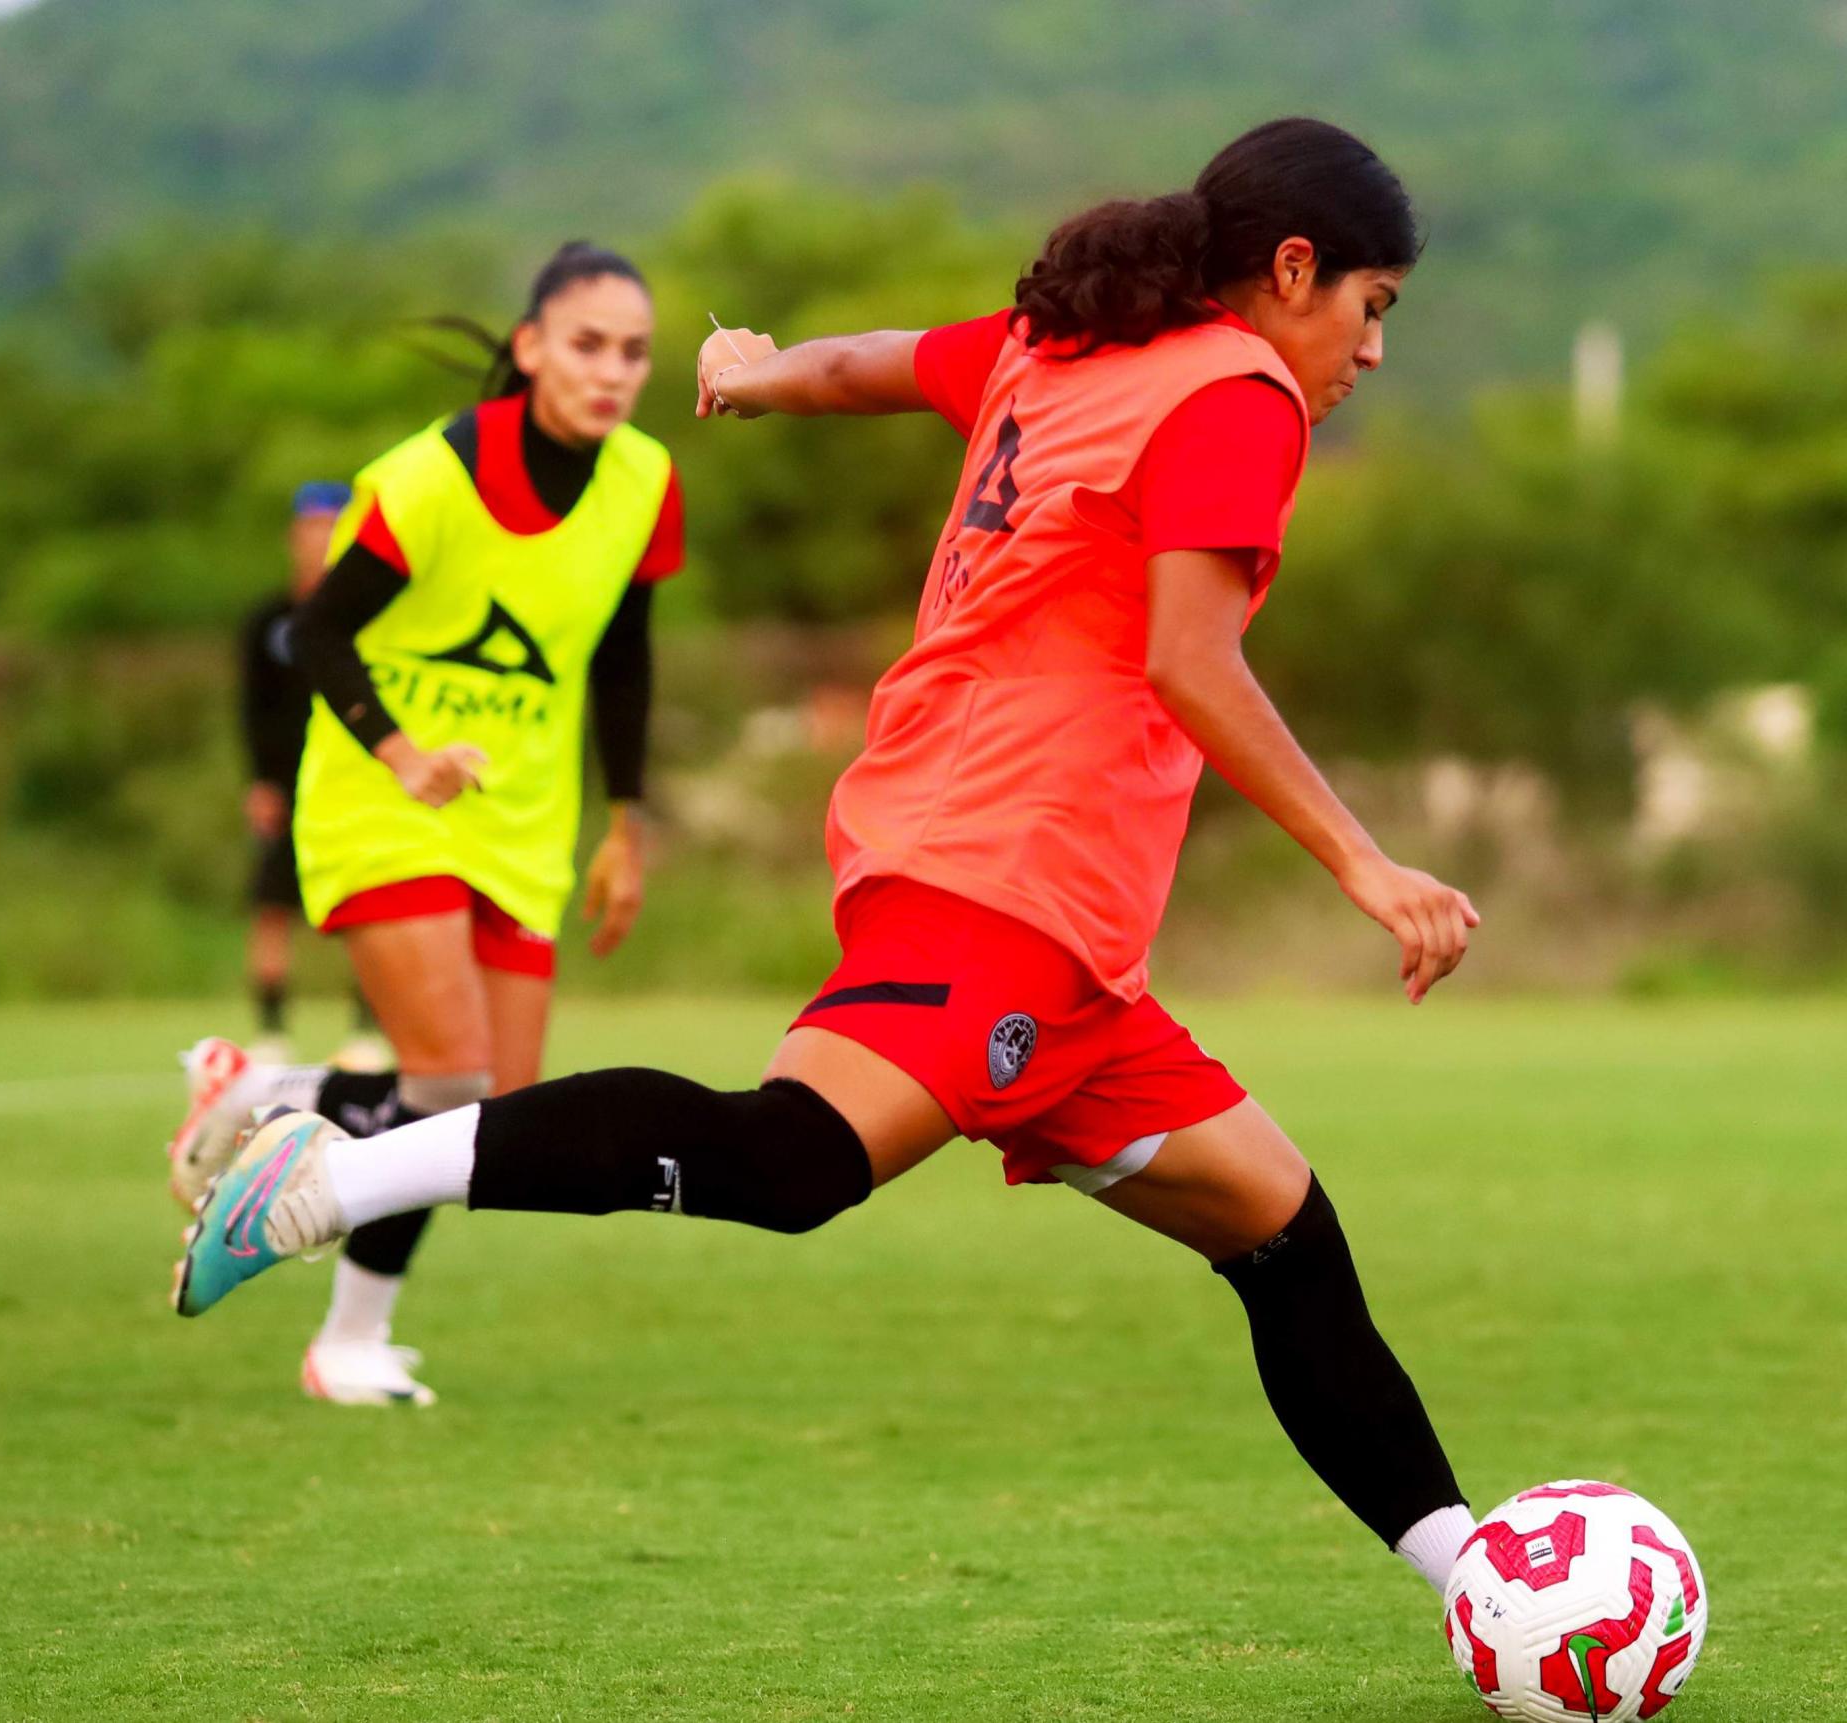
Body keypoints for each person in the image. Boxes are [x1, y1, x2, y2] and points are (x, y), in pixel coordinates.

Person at [173, 118, 1482, 1602]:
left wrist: (758, 373)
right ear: (1293, 268)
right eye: (1373, 308)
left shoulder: (1066, 342)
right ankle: (332, 1176)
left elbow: (877, 362)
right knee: (791, 1158)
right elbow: (1192, 659)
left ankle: (1481, 1579)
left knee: (1280, 1227)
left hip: (1019, 901)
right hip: (1007, 868)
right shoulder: (1239, 391)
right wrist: (1368, 864)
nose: (1372, 352)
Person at [166, 241, 685, 1406]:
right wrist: (402, 753)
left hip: (519, 817)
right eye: (587, 344)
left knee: (495, 1117)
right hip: (379, 794)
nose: (611, 371)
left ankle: (274, 1096)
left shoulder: (645, 479)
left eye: (634, 351)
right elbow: (315, 635)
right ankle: (346, 1341)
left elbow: (625, 654)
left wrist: (627, 825)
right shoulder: (431, 473)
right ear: (532, 344)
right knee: (447, 1091)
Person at [235, 482, 387, 1066]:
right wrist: (262, 782)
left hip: (358, 780)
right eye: (311, 529)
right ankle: (272, 1031)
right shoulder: (267, 621)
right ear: (293, 537)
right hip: (290, 785)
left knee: (368, 902)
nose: (319, 541)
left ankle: (364, 1032)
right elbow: (252, 708)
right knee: (273, 905)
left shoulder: (368, 615)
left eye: (332, 528)